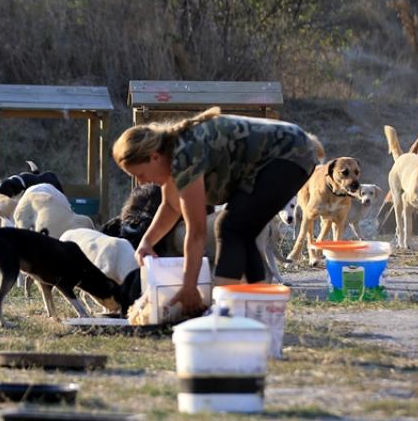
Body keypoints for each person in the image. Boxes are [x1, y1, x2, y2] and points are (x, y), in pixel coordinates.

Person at [112, 107, 321, 316]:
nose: (141, 182)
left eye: (140, 174)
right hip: (287, 152)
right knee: (242, 230)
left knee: (230, 228)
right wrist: (147, 242)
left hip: (290, 152)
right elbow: (170, 206)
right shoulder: (173, 154)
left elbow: (197, 232)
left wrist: (189, 286)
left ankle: (222, 311)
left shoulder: (184, 155)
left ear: (154, 157)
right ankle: (261, 311)